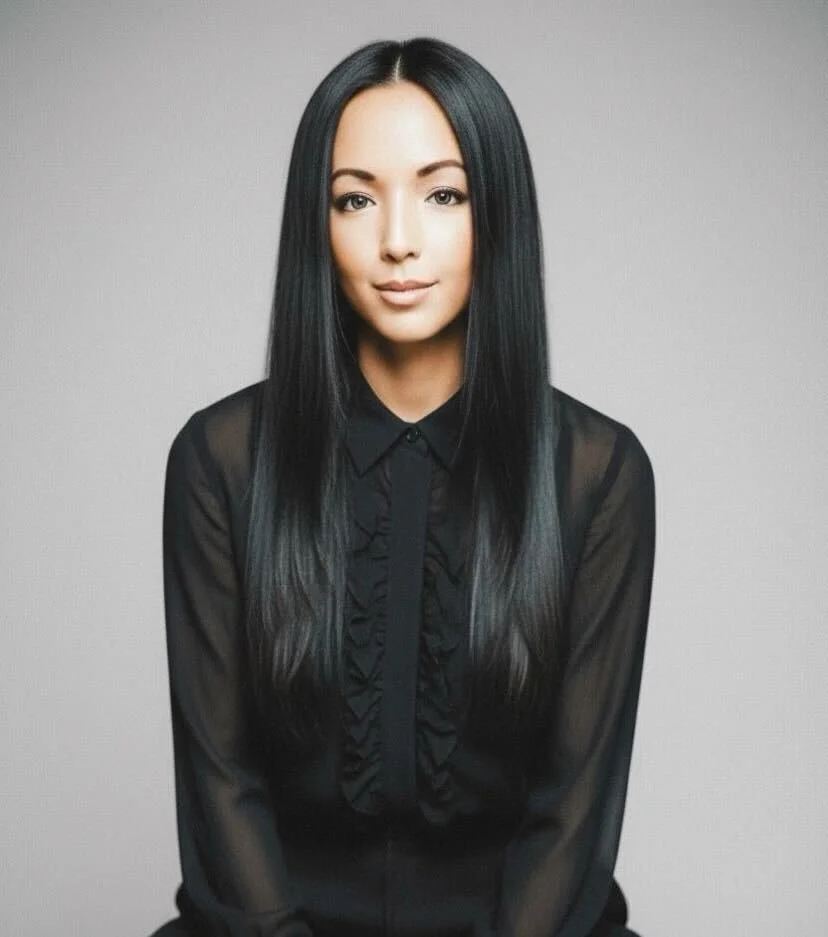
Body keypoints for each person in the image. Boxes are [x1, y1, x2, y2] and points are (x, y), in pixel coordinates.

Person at [150, 36, 656, 937]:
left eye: (442, 193)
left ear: (495, 212)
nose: (396, 240)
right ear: (319, 222)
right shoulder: (220, 461)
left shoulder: (598, 474)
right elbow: (223, 785)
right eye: (355, 198)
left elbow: (571, 814)